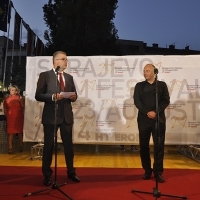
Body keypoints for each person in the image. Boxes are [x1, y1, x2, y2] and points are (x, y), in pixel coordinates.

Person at [35, 51, 80, 186]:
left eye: (67, 59)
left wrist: (74, 97)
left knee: (69, 147)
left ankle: (71, 172)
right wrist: (52, 97)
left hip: (66, 116)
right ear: (55, 61)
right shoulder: (45, 76)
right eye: (64, 59)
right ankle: (47, 175)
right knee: (49, 146)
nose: (66, 61)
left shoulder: (69, 77)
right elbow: (38, 95)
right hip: (51, 116)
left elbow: (74, 95)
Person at [133, 64, 170, 183]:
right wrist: (147, 112)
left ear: (154, 72)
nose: (145, 73)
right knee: (144, 146)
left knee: (159, 147)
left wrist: (156, 112)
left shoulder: (162, 85)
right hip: (143, 120)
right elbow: (137, 101)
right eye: (144, 71)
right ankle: (147, 170)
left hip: (158, 120)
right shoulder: (139, 86)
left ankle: (158, 172)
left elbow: (165, 100)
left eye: (147, 71)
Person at [3, 85, 25, 154]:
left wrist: (21, 100)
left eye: (13, 90)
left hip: (19, 117)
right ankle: (10, 148)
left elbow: (23, 106)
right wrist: (6, 115)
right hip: (10, 117)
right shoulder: (6, 98)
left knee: (20, 132)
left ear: (16, 91)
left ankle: (21, 146)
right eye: (10, 90)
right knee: (10, 132)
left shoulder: (20, 98)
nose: (11, 91)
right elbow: (5, 108)